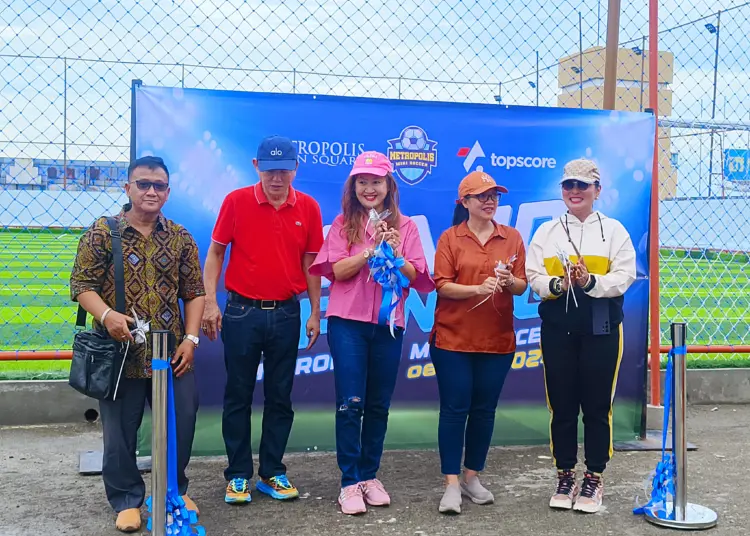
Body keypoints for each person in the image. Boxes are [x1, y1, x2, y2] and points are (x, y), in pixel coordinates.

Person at [70, 156, 206, 533]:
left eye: (158, 185)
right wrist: (106, 316)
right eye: (143, 183)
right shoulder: (103, 232)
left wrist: (191, 339)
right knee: (119, 434)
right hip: (121, 353)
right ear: (127, 187)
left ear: (167, 191)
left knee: (181, 425)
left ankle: (171, 492)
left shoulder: (179, 237)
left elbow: (194, 293)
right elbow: (81, 285)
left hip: (171, 354)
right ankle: (127, 499)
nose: (151, 191)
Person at [308, 151, 434, 515]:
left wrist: (395, 252)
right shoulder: (342, 224)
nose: (369, 188)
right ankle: (349, 482)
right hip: (347, 324)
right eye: (362, 181)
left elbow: (417, 275)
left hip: (388, 326)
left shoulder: (406, 227)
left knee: (378, 405)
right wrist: (370, 251)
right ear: (353, 186)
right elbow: (337, 271)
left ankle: (369, 475)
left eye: (376, 181)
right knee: (351, 404)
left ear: (389, 186)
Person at [202, 135, 324, 505]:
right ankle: (238, 475)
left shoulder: (309, 207)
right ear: (257, 167)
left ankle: (272, 472)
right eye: (270, 170)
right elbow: (215, 253)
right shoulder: (236, 201)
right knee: (237, 395)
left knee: (280, 396)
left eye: (284, 170)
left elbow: (311, 264)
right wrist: (210, 302)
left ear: (295, 169)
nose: (277, 178)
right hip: (240, 311)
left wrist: (315, 310)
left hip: (287, 311)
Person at [525, 158, 636, 514]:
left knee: (597, 405)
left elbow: (626, 274)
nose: (574, 191)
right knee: (562, 405)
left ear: (597, 191)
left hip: (601, 328)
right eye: (568, 185)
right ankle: (565, 474)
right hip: (558, 328)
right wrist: (559, 284)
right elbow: (534, 275)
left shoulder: (615, 230)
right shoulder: (547, 231)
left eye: (582, 186)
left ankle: (594, 476)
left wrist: (589, 282)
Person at [430, 170, 527, 515]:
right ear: (465, 202)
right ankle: (451, 484)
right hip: (453, 339)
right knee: (455, 410)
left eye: (494, 196)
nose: (490, 202)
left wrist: (507, 280)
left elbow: (521, 286)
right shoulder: (450, 238)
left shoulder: (512, 237)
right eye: (482, 196)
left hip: (497, 340)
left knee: (484, 411)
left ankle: (472, 476)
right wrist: (477, 289)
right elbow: (441, 284)